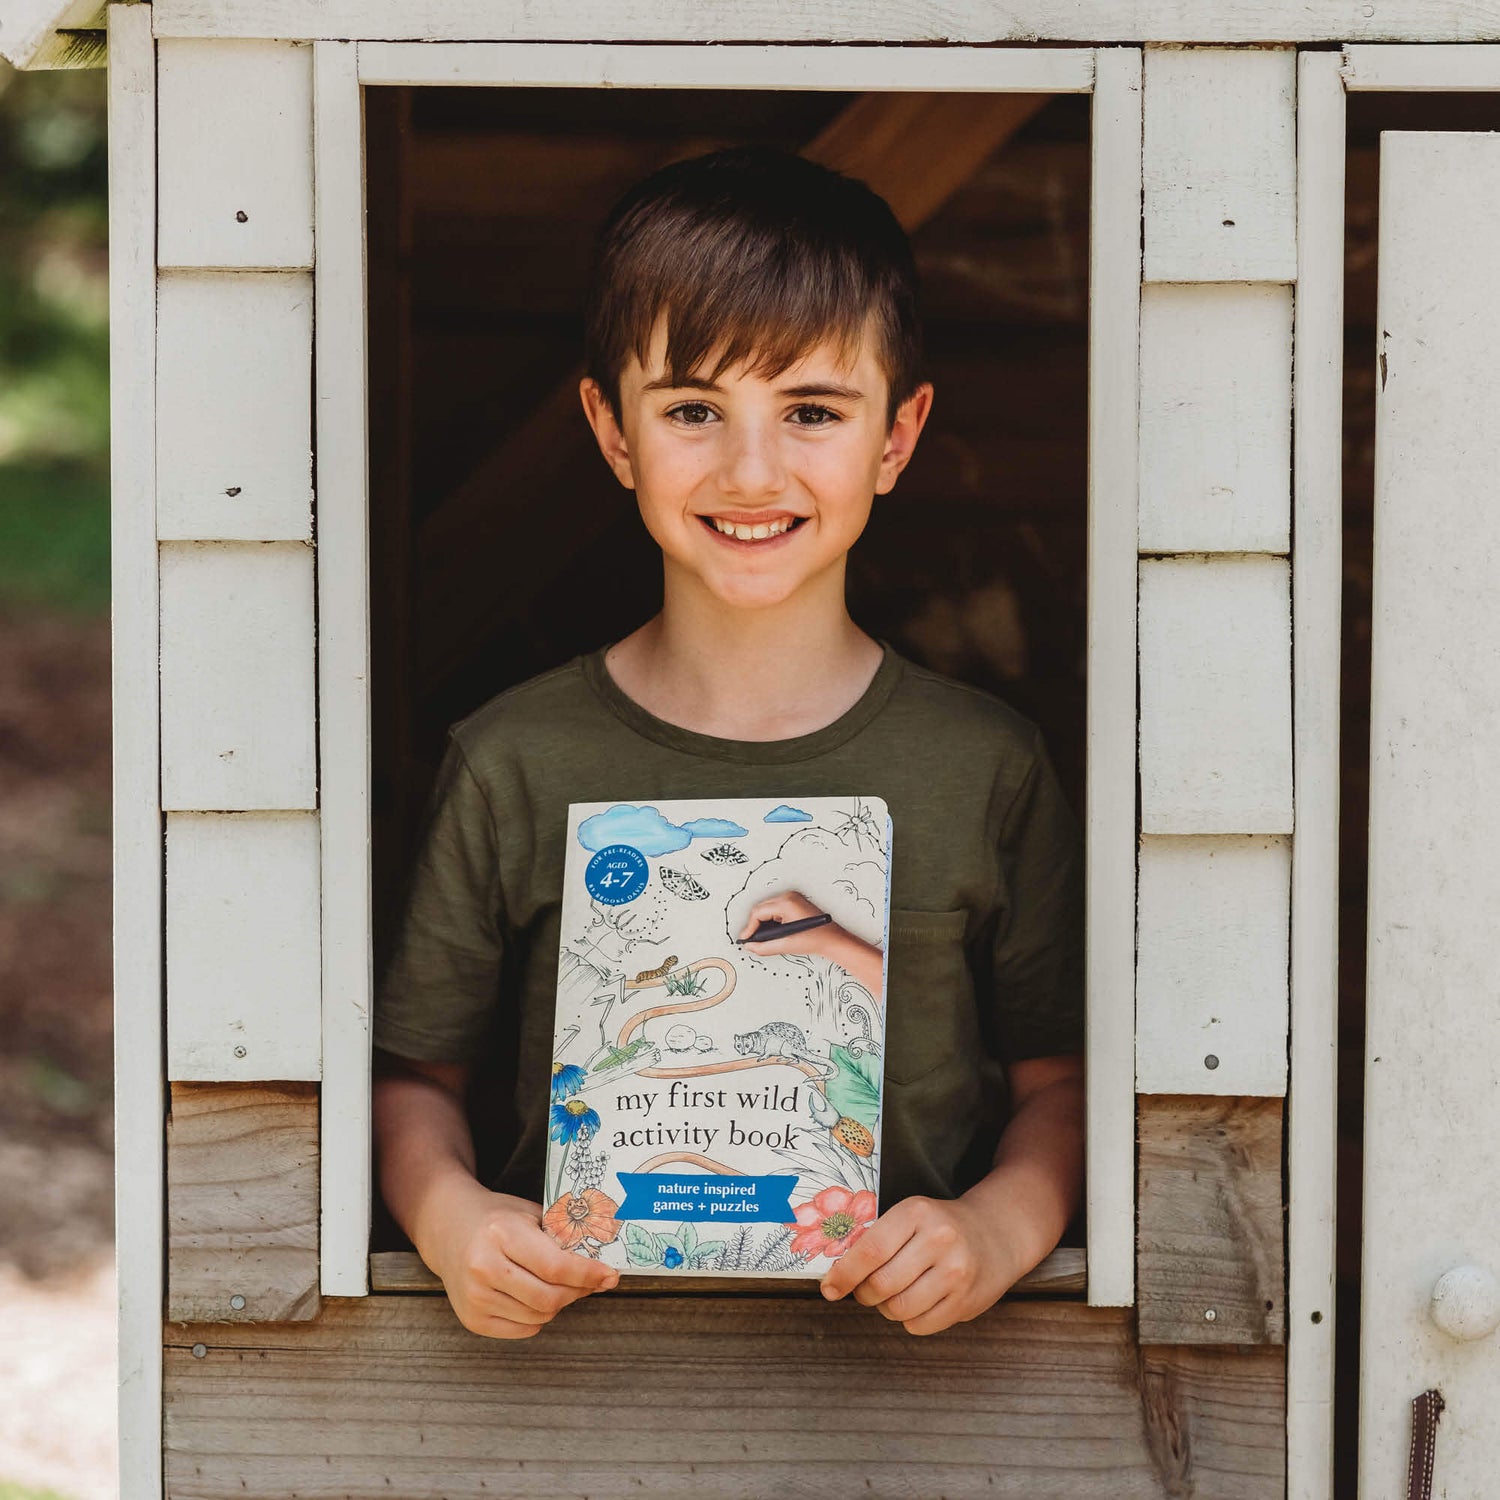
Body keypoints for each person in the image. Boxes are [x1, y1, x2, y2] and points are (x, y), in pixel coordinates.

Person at [371, 143, 1085, 1342]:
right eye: (694, 409)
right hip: (573, 1385)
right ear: (611, 432)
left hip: (921, 1397)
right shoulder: (511, 759)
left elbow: (1059, 1086)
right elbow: (416, 1080)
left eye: (812, 411)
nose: (752, 470)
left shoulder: (987, 766)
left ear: (898, 438)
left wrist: (1004, 1224)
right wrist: (449, 1217)